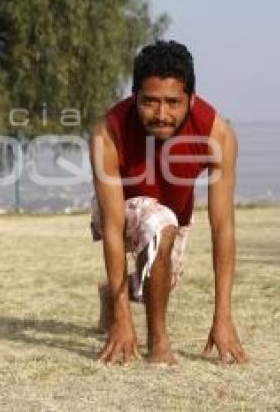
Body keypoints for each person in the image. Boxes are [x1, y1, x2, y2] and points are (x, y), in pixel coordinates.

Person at [89, 40, 249, 366]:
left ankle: (115, 292)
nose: (161, 114)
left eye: (173, 102)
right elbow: (113, 225)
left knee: (160, 279)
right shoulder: (108, 131)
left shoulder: (217, 135)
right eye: (149, 102)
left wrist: (223, 317)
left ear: (191, 99)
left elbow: (223, 227)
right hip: (120, 207)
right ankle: (158, 345)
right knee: (158, 224)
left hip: (174, 219)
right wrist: (124, 320)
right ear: (134, 96)